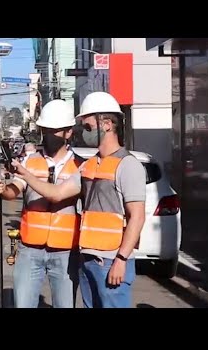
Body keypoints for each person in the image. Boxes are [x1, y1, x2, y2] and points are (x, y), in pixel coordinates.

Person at [11, 92, 146, 308]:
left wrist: (121, 259)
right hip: (88, 260)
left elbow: (137, 217)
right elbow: (56, 193)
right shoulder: (88, 166)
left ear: (108, 124)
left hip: (111, 260)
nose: (83, 131)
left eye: (88, 126)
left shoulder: (127, 165)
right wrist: (25, 174)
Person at [0, 99, 84, 308]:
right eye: (46, 130)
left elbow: (59, 195)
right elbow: (14, 189)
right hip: (30, 249)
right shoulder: (30, 161)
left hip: (66, 250)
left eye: (55, 130)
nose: (50, 135)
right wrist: (2, 189)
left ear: (68, 132)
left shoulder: (80, 165)